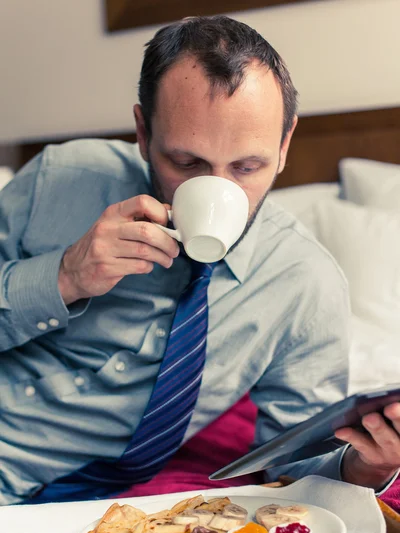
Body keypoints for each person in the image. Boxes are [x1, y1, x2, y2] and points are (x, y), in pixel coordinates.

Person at [0, 15, 399, 506]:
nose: (220, 189)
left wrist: (366, 464)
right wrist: (63, 276)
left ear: (284, 145)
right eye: (187, 163)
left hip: (80, 507)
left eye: (247, 166)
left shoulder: (303, 285)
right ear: (144, 133)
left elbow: (295, 463)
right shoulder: (59, 179)